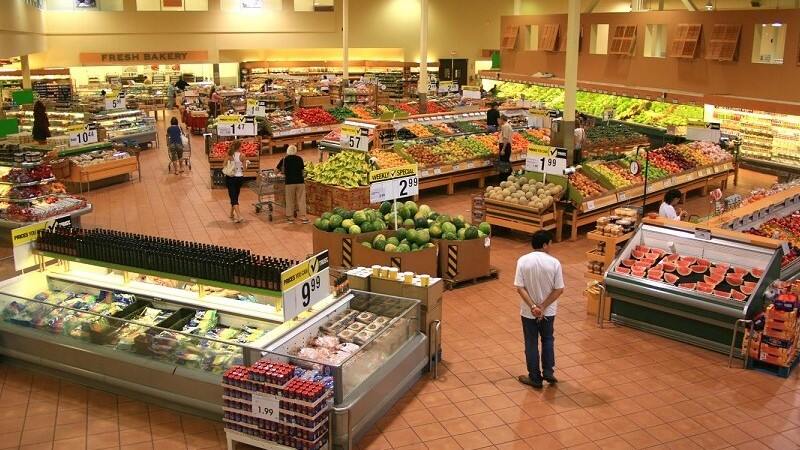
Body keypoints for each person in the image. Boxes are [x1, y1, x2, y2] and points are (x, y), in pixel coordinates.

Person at [515, 230, 564, 389]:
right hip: (548, 312)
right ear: (544, 245)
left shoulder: (522, 261)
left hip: (528, 312)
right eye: (550, 243)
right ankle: (548, 371)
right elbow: (558, 290)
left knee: (531, 342)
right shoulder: (554, 263)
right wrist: (543, 306)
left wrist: (533, 307)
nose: (551, 246)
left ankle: (535, 378)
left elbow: (520, 287)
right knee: (548, 339)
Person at [277, 145, 308, 224]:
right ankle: (303, 217)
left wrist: (280, 173)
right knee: (301, 199)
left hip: (289, 182)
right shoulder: (299, 159)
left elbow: (276, 170)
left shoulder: (284, 159)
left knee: (290, 200)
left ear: (287, 151)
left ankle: (290, 217)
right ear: (295, 151)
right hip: (300, 182)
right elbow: (302, 171)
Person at [224, 140, 249, 223]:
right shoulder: (242, 156)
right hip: (239, 178)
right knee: (235, 196)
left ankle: (239, 216)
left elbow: (223, 165)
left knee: (233, 197)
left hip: (231, 178)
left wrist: (230, 164)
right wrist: (244, 164)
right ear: (239, 147)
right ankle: (231, 213)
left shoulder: (229, 155)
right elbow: (244, 169)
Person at [497, 115, 513, 180]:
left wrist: (503, 149)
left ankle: (504, 178)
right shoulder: (506, 125)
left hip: (505, 145)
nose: (498, 121)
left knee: (504, 162)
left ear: (502, 119)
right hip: (506, 145)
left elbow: (505, 138)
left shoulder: (505, 126)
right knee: (505, 161)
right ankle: (509, 177)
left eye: (499, 120)